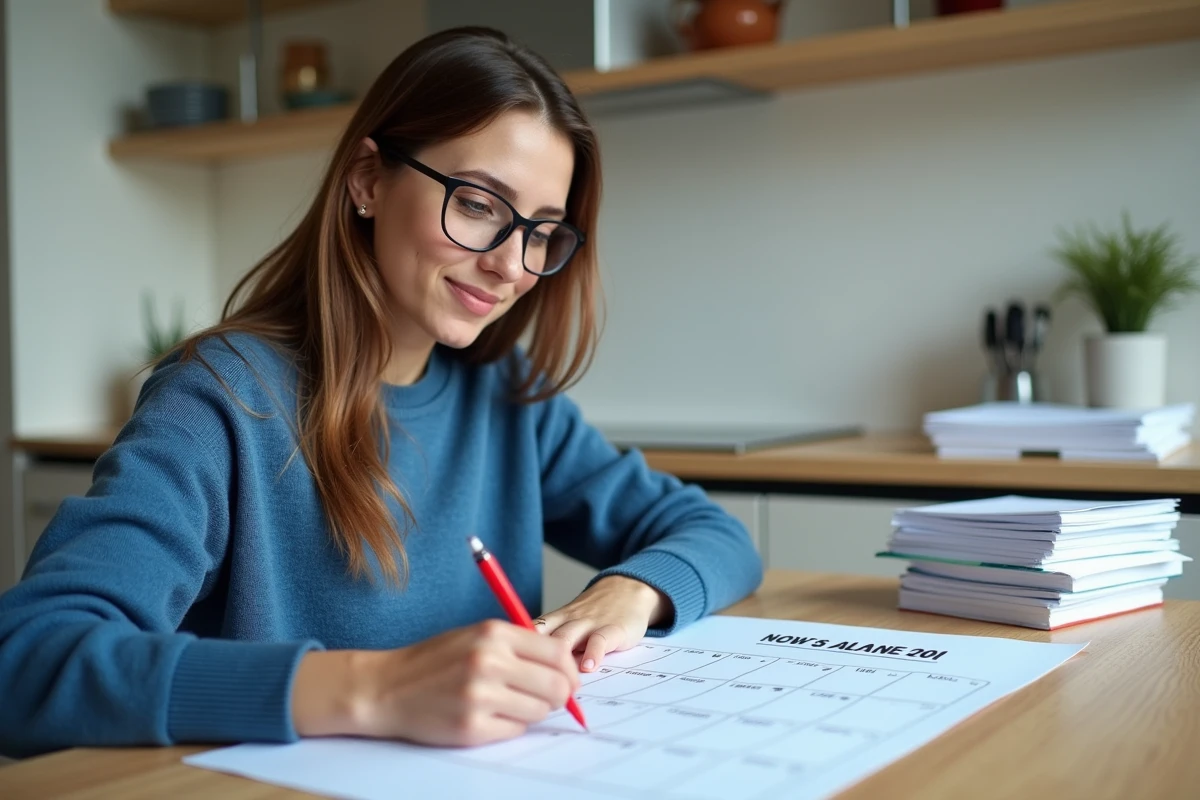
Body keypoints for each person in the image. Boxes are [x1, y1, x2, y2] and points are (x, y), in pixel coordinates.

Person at [0, 26, 762, 758]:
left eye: (540, 231)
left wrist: (630, 591)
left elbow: (716, 535)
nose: (510, 265)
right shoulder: (221, 399)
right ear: (368, 180)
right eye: (478, 205)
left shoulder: (506, 397)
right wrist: (377, 688)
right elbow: (28, 660)